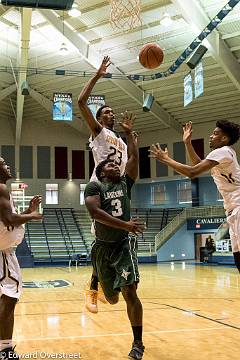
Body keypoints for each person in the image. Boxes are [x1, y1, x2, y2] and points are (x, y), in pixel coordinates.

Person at [84, 124, 145, 359]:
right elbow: (96, 213)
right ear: (101, 172)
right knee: (112, 298)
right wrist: (126, 224)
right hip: (102, 247)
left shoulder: (124, 184)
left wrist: (130, 135)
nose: (115, 165)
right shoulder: (95, 186)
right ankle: (99, 285)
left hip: (123, 245)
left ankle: (138, 343)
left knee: (130, 291)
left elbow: (134, 159)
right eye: (110, 164)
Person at [78, 56, 133, 312]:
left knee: (115, 238)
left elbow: (132, 159)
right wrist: (98, 75)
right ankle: (91, 287)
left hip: (118, 190)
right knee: (101, 239)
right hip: (100, 188)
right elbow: (80, 102)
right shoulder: (99, 133)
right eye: (105, 112)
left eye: (111, 111)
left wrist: (131, 134)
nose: (110, 113)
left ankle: (102, 284)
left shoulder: (119, 140)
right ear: (99, 119)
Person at [150, 120, 240, 272]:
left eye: (215, 134)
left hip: (238, 206)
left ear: (225, 139)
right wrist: (187, 143)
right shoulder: (224, 153)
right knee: (238, 257)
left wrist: (166, 159)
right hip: (233, 208)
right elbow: (197, 164)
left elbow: (192, 172)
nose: (211, 136)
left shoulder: (222, 151)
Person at [0, 157, 42, 360]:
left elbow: (8, 220)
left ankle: (5, 348)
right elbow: (9, 220)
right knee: (9, 299)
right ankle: (5, 350)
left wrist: (27, 211)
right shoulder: (0, 188)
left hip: (4, 252)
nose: (7, 165)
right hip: (3, 254)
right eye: (2, 163)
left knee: (7, 299)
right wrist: (32, 216)